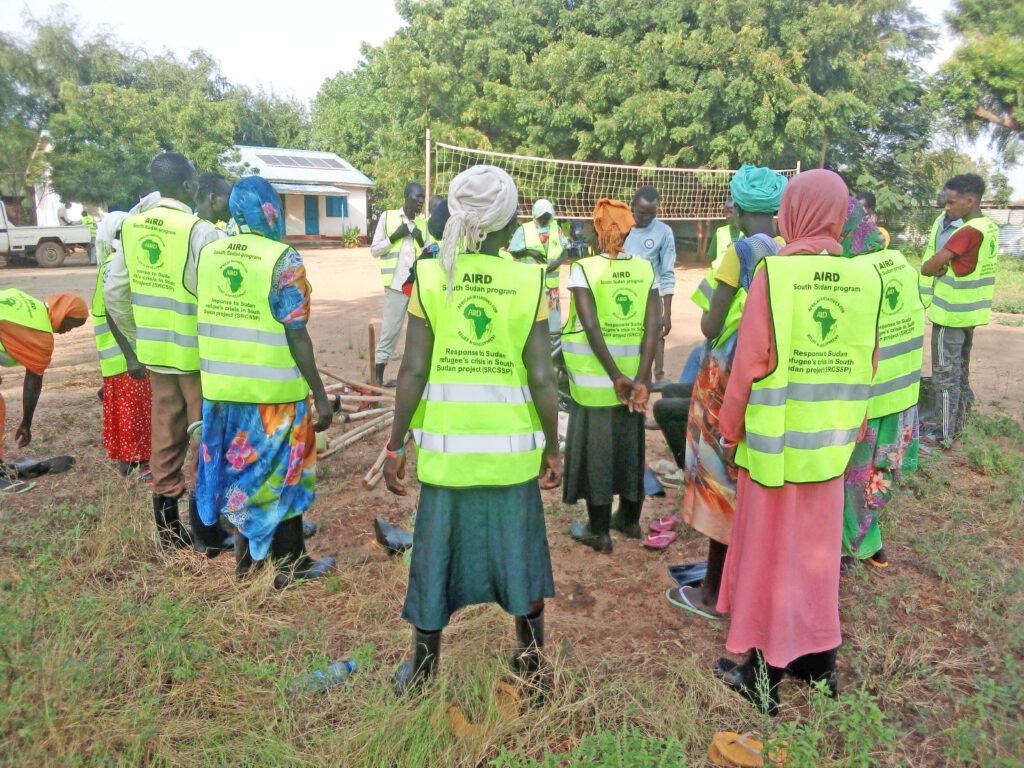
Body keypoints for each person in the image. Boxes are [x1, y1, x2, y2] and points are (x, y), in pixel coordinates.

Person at [382, 165, 562, 693]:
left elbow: (412, 371)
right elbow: (543, 377)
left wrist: (395, 445)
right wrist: (552, 448)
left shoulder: (431, 275)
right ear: (506, 226)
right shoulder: (529, 280)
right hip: (510, 460)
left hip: (448, 459)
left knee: (435, 559)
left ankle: (422, 671)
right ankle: (531, 667)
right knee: (522, 559)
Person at [713, 169, 882, 715]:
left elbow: (749, 364)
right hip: (831, 447)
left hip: (776, 450)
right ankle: (819, 664)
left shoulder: (776, 275)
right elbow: (868, 364)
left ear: (793, 212)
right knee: (815, 558)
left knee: (770, 558)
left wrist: (729, 432)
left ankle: (761, 678)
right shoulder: (866, 279)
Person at [194, 176, 335, 585]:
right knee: (284, 476)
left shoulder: (209, 253)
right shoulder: (283, 259)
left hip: (222, 393)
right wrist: (320, 395)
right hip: (273, 397)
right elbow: (296, 333)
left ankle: (249, 565)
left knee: (240, 476)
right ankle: (290, 565)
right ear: (271, 210)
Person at [104, 152, 232, 555]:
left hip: (156, 355)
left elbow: (114, 292)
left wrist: (138, 340)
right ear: (190, 185)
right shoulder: (199, 231)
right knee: (206, 439)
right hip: (196, 356)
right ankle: (208, 532)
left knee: (165, 436)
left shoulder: (131, 227)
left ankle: (169, 530)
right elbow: (215, 297)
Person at [673, 165, 787, 617]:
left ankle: (712, 592)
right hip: (769, 371)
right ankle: (748, 579)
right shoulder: (789, 248)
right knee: (752, 472)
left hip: (727, 374)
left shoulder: (739, 252)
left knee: (720, 474)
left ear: (737, 208)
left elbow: (710, 323)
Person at [562, 199, 661, 554]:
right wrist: (641, 379)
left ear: (598, 231)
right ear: (629, 229)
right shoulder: (645, 269)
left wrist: (616, 375)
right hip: (634, 385)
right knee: (632, 446)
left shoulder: (584, 269)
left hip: (599, 385)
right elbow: (653, 328)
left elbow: (590, 326)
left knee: (598, 454)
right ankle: (630, 519)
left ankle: (599, 530)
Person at [842, 230, 924, 568]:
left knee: (854, 479)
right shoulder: (902, 264)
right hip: (903, 398)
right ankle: (870, 538)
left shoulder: (856, 273)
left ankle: (855, 545)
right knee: (881, 474)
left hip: (871, 402)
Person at [919, 174, 1000, 452]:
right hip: (970, 315)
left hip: (950, 314)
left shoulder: (965, 232)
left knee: (945, 378)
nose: (947, 207)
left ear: (970, 201)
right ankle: (959, 427)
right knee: (960, 373)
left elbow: (929, 267)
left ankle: (941, 437)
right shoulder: (989, 228)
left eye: (952, 203)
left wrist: (938, 266)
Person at [93, 206, 153, 480]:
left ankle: (134, 462)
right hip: (125, 353)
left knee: (128, 412)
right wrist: (130, 355)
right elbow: (113, 310)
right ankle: (134, 465)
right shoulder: (116, 263)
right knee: (133, 413)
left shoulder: (108, 263)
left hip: (116, 356)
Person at [1, 290, 88, 471]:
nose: (66, 331)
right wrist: (26, 423)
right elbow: (33, 383)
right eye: (71, 325)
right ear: (64, 312)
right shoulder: (41, 336)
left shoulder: (23, 298)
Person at [370, 182, 426, 387]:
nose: (421, 201)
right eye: (417, 197)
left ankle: (408, 377)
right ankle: (378, 378)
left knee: (417, 334)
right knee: (390, 331)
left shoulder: (424, 224)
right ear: (406, 196)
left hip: (418, 287)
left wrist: (421, 240)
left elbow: (431, 254)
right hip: (395, 286)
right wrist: (394, 236)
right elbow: (375, 250)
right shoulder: (388, 217)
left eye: (423, 198)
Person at [623, 186, 676, 382]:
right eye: (642, 213)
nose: (646, 218)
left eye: (652, 213)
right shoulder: (621, 229)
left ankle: (658, 377)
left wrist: (667, 312)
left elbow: (667, 272)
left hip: (651, 296)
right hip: (625, 294)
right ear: (632, 207)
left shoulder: (664, 232)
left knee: (656, 337)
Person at [510, 199, 572, 333]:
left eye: (547, 217)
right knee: (533, 319)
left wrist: (557, 263)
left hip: (551, 287)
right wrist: (529, 252)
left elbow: (565, 252)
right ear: (535, 215)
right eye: (542, 217)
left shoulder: (556, 229)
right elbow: (513, 251)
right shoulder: (524, 230)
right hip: (531, 284)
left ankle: (553, 337)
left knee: (553, 321)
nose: (544, 220)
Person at [706, 197, 744, 268]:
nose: (727, 216)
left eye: (731, 212)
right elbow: (711, 258)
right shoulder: (720, 232)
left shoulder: (747, 233)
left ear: (739, 212)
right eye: (725, 212)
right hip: (719, 272)